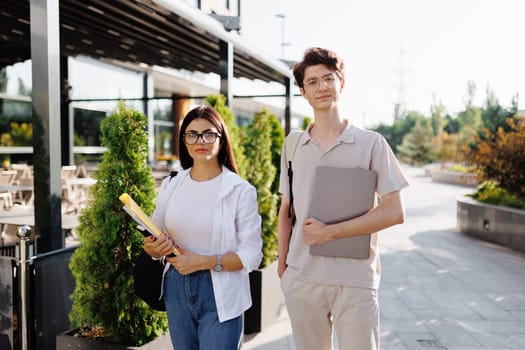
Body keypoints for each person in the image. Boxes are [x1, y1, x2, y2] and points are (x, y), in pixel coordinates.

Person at [278, 47, 409, 350]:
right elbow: (286, 209)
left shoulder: (372, 143)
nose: (322, 87)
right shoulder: (294, 144)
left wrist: (330, 232)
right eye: (313, 82)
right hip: (303, 278)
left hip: (356, 280)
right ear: (303, 93)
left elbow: (394, 212)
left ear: (341, 84)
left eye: (329, 79)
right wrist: (284, 269)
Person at [144, 105, 263, 350]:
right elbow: (155, 232)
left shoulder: (240, 190)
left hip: (220, 291)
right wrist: (154, 249)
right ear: (184, 140)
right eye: (192, 134)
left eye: (208, 134)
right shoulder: (171, 184)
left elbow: (252, 255)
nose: (200, 141)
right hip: (175, 287)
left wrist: (204, 261)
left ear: (221, 138)